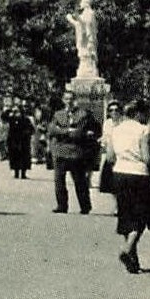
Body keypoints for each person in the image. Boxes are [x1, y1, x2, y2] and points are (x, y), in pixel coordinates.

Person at [108, 100, 150, 274]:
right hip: (139, 175)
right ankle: (127, 248)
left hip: (119, 173)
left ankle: (133, 260)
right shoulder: (142, 130)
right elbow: (146, 157)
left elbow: (109, 156)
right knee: (141, 215)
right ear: (139, 114)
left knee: (125, 213)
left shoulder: (116, 129)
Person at [49, 86, 102, 215]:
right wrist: (67, 131)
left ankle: (85, 206)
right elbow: (52, 129)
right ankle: (62, 205)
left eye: (71, 99)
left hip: (77, 153)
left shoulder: (84, 114)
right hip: (60, 152)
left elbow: (83, 132)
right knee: (59, 181)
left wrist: (70, 133)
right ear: (63, 100)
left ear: (76, 100)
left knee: (80, 181)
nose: (69, 101)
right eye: (66, 99)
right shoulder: (58, 114)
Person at [100, 100, 125, 211]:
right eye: (111, 110)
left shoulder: (124, 123)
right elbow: (105, 137)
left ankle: (121, 205)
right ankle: (117, 204)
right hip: (111, 154)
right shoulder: (107, 123)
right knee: (111, 182)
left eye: (116, 110)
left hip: (121, 154)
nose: (114, 112)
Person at [5, 100, 35, 180]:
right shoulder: (11, 119)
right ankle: (16, 173)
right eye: (15, 111)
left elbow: (32, 129)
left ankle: (23, 174)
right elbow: (4, 117)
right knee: (15, 157)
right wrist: (10, 110)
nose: (16, 113)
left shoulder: (26, 120)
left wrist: (27, 133)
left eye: (17, 111)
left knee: (24, 157)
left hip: (24, 142)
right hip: (13, 141)